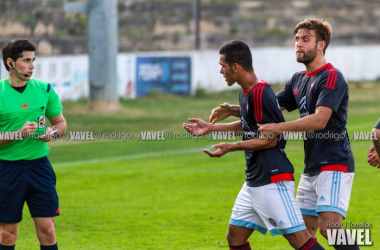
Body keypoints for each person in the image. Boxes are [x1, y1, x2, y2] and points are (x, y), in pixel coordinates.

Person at [208, 19, 359, 250]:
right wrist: (233, 110)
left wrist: (278, 128)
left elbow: (320, 120)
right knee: (305, 233)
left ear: (321, 45)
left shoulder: (332, 77)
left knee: (329, 229)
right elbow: (269, 107)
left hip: (335, 163)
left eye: (305, 39)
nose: (299, 44)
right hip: (312, 167)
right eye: (297, 39)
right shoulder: (298, 79)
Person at [184, 40, 324, 250]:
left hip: (273, 179)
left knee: (299, 239)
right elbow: (248, 125)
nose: (220, 70)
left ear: (236, 67)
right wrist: (210, 128)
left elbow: (271, 139)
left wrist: (232, 147)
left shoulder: (261, 92)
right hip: (254, 181)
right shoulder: (246, 92)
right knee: (235, 238)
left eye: (222, 65)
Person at [0, 38, 67, 250]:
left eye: (33, 60)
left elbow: (60, 123)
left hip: (39, 167)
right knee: (7, 233)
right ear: (10, 63)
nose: (32, 66)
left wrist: (53, 133)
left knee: (47, 230)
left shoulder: (44, 89)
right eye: (26, 60)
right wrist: (17, 134)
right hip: (7, 170)